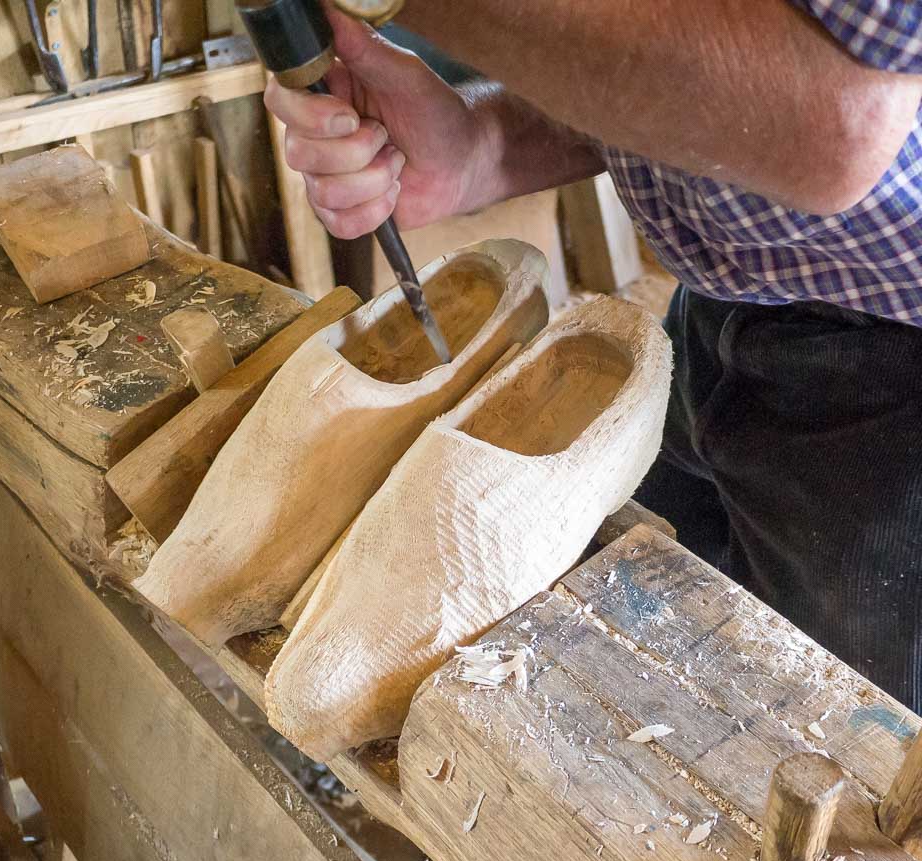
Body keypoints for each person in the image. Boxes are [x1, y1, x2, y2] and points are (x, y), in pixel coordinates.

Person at [266, 3, 922, 713]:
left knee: (837, 758)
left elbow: (836, 120)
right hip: (719, 309)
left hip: (899, 368)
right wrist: (484, 143)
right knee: (639, 683)